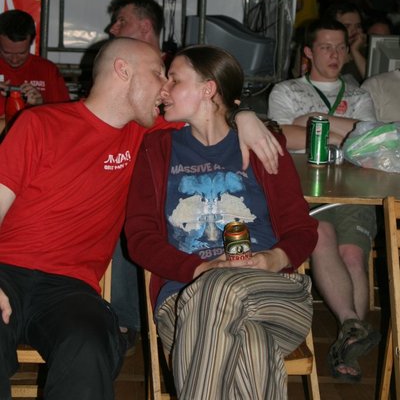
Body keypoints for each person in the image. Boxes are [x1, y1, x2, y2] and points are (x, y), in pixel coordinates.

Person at [0, 37, 282, 400]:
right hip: (6, 269)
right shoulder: (39, 123)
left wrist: (244, 115)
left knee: (90, 345)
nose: (166, 88)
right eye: (159, 74)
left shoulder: (146, 137)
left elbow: (208, 113)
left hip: (70, 289)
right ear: (123, 70)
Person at [124, 45, 318, 400]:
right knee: (254, 348)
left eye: (175, 79)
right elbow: (139, 239)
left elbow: (303, 230)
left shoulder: (262, 145)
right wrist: (201, 269)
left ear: (208, 88)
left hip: (271, 292)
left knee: (221, 288)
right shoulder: (156, 149)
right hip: (182, 299)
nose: (164, 89)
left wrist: (274, 258)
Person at [268, 17, 380, 383]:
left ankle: (349, 337)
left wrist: (316, 120)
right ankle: (352, 327)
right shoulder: (286, 91)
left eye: (340, 48)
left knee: (353, 254)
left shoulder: (359, 96)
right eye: (325, 47)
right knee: (322, 237)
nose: (334, 55)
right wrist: (342, 130)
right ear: (308, 52)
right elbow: (283, 136)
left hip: (354, 188)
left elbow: (368, 140)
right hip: (303, 190)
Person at [107, 0, 167, 355]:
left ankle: (128, 320)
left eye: (121, 21)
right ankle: (120, 319)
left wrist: (244, 117)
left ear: (145, 27)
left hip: (172, 173)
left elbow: (219, 107)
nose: (112, 28)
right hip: (126, 168)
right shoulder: (118, 71)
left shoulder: (180, 68)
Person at [0, 9, 70, 133]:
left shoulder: (47, 70)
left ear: (31, 43)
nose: (14, 59)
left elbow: (65, 118)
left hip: (35, 139)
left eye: (21, 53)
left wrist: (40, 105)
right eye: (7, 53)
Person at [324, 2, 367, 83]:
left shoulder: (366, 50)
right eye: (347, 26)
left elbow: (375, 83)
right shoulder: (320, 49)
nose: (354, 31)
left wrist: (355, 51)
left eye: (358, 26)